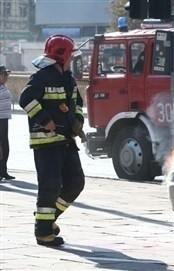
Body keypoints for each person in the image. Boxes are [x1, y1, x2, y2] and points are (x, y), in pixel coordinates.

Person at [19, 34, 86, 246]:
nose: (72, 60)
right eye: (70, 56)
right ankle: (43, 232)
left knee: (75, 182)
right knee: (50, 185)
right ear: (61, 56)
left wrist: (77, 120)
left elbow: (78, 103)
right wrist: (44, 119)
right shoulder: (42, 77)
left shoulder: (68, 79)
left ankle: (47, 221)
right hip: (46, 142)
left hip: (65, 140)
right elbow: (26, 99)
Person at [0, 65, 15, 181]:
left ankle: (3, 171)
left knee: (5, 146)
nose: (6, 77)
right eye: (4, 74)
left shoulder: (3, 86)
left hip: (4, 119)